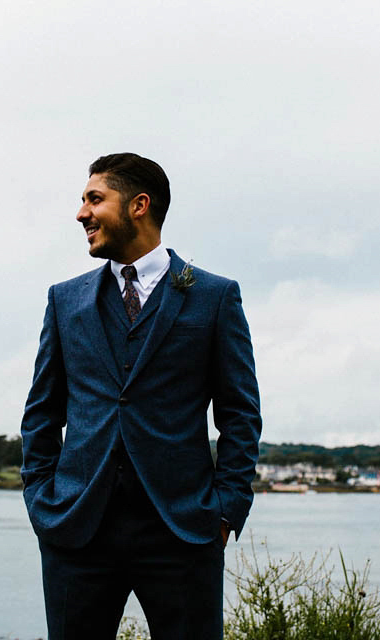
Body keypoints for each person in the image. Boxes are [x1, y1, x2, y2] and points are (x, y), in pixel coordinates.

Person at [20, 152, 261, 640]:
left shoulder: (214, 296)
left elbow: (239, 413)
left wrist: (225, 509)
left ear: (138, 205)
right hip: (76, 527)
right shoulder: (63, 300)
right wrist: (41, 500)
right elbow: (42, 412)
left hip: (183, 530)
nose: (81, 213)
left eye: (94, 198)